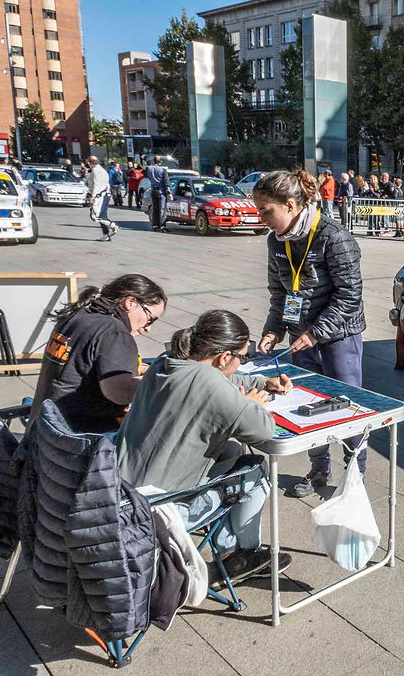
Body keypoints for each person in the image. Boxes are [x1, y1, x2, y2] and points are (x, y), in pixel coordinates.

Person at [116, 309, 292, 583]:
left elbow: (221, 380)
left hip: (121, 491)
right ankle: (242, 556)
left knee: (231, 452)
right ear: (224, 357)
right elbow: (263, 430)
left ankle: (226, 552)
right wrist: (252, 404)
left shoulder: (167, 361)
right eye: (242, 357)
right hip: (161, 509)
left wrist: (260, 382)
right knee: (254, 472)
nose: (242, 363)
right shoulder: (210, 384)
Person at [252, 169, 367, 496]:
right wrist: (273, 330)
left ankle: (354, 478)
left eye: (266, 210)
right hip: (300, 336)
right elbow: (280, 293)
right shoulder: (276, 240)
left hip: (338, 337)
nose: (262, 218)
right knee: (307, 407)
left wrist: (316, 333)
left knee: (346, 408)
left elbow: (349, 295)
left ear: (290, 205)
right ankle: (319, 469)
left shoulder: (333, 236)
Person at [31, 274, 167, 433]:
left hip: (45, 431)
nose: (148, 328)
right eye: (151, 319)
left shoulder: (79, 315)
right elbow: (120, 393)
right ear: (131, 303)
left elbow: (82, 364)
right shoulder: (113, 332)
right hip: (79, 440)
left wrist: (138, 368)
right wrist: (161, 381)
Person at [86, 156, 117, 242]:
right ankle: (105, 234)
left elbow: (96, 185)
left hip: (100, 195)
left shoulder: (96, 171)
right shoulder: (103, 170)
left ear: (90, 163)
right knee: (102, 215)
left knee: (95, 215)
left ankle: (113, 225)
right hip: (105, 194)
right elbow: (107, 184)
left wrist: (92, 195)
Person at [145, 155, 170, 232]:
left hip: (153, 190)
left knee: (155, 208)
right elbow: (166, 182)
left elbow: (145, 175)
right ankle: (161, 225)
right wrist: (169, 192)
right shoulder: (163, 170)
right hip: (160, 191)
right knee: (161, 209)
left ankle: (155, 224)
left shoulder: (149, 169)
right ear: (160, 162)